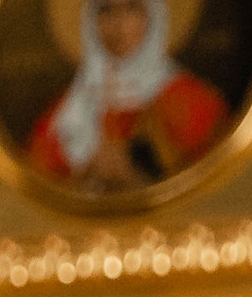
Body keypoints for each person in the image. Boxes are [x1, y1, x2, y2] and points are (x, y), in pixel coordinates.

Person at [28, 0, 231, 190]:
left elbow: (209, 187)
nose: (117, 24)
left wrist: (131, 176)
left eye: (131, 8)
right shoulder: (66, 111)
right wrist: (86, 173)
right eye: (106, 10)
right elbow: (38, 185)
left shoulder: (195, 101)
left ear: (154, 16)